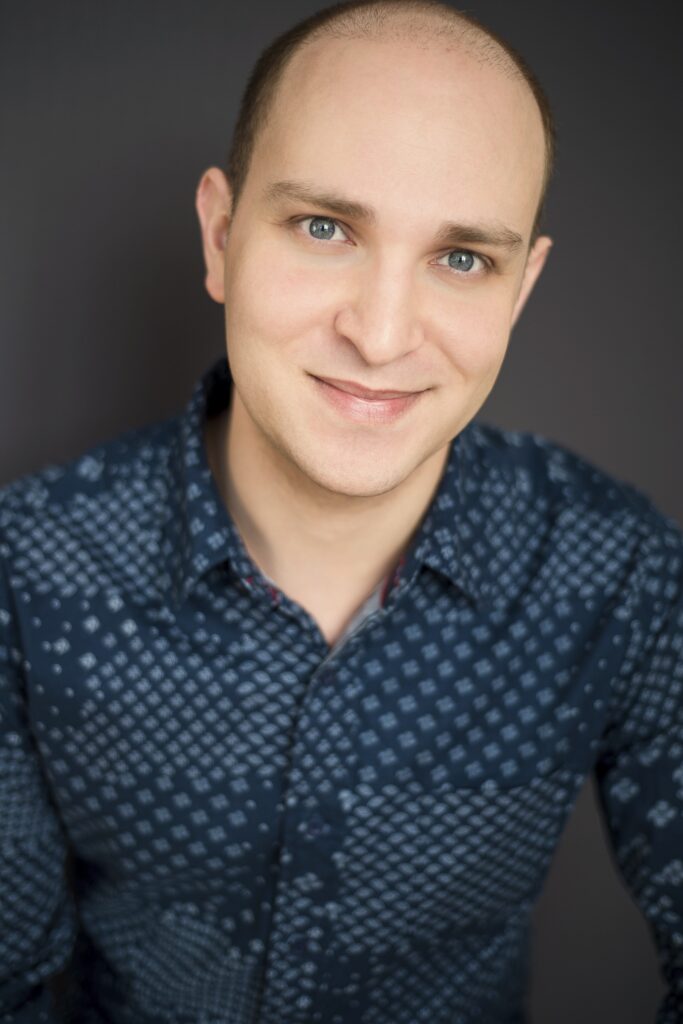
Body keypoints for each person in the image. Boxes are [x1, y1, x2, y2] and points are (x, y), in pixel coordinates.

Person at [1, 0, 681, 1021]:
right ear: (221, 235)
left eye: (461, 258)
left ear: (519, 288)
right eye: (325, 227)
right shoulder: (28, 567)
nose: (380, 331)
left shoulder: (615, 568)